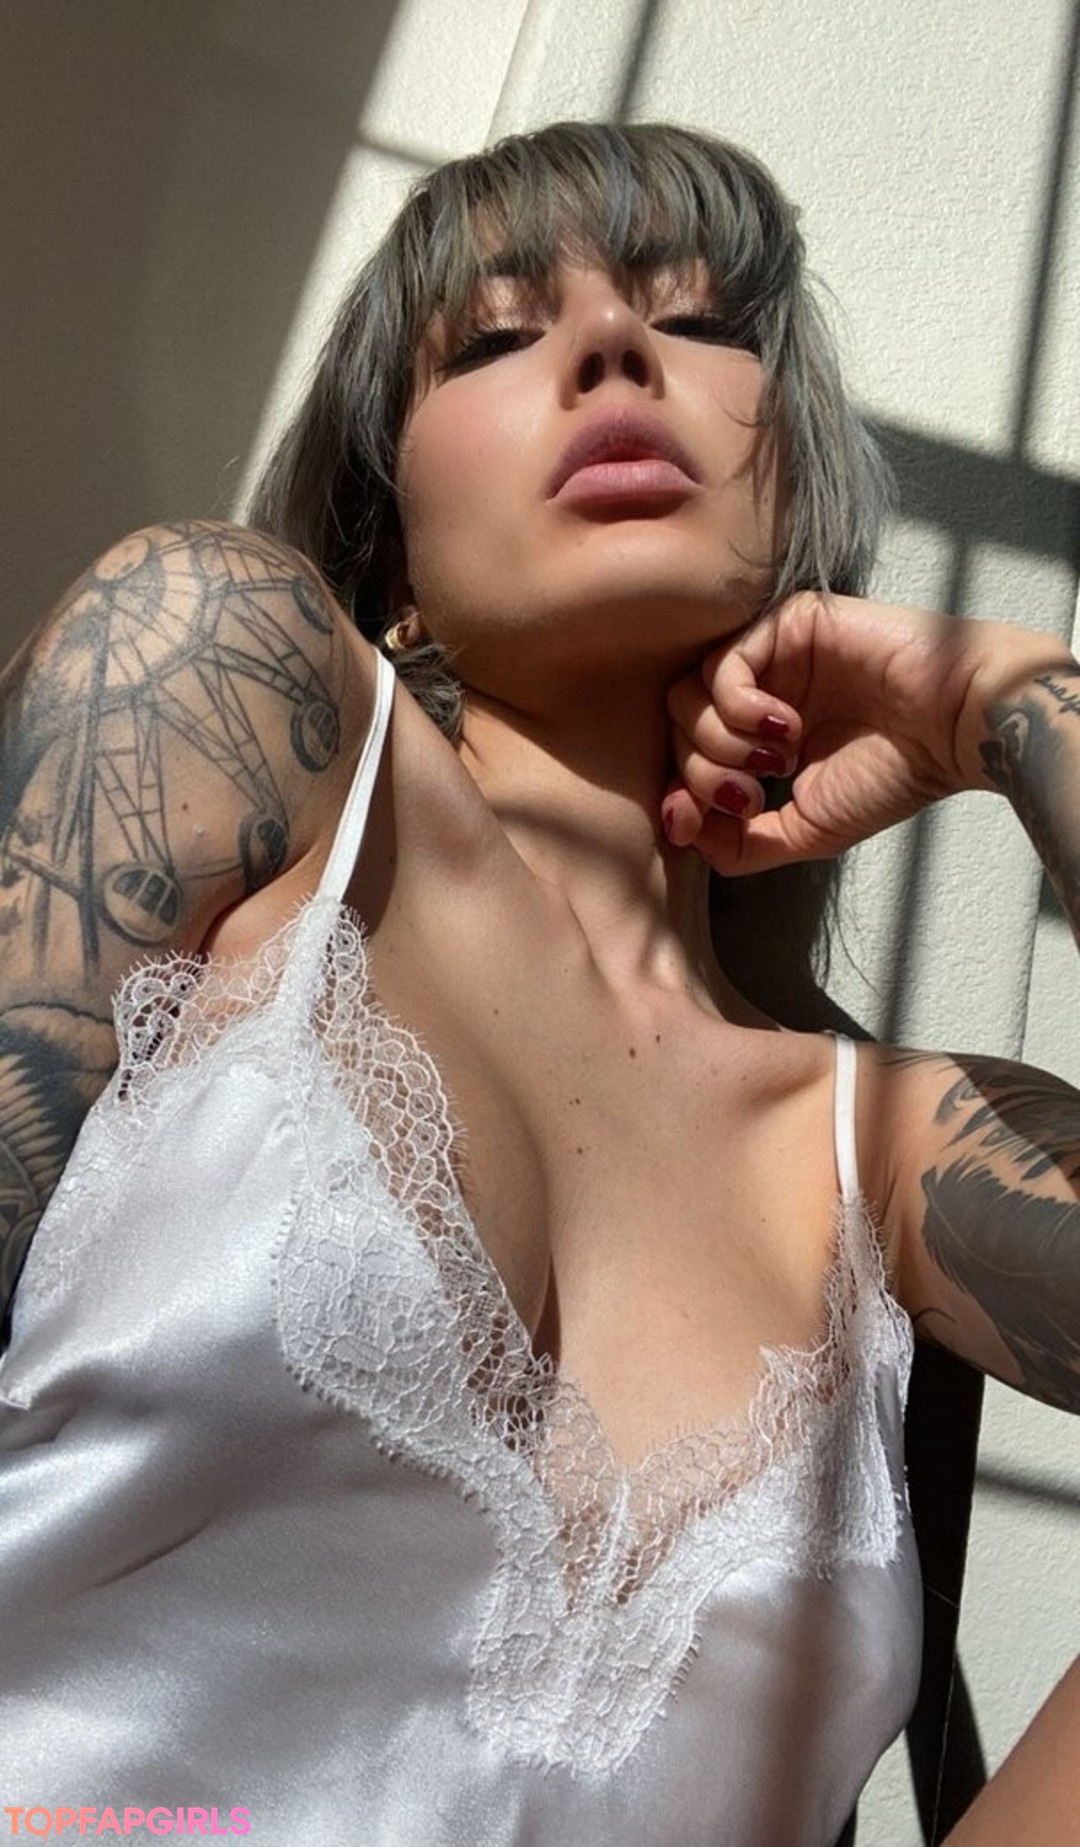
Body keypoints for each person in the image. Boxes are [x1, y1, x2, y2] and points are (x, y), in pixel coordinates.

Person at [0, 121, 1076, 1847]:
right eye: (497, 336)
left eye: (698, 319)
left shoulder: (888, 1149)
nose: (614, 345)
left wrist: (1012, 708)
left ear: (793, 491)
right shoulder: (223, 682)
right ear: (393, 547)